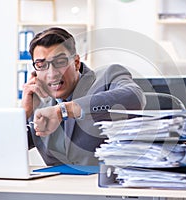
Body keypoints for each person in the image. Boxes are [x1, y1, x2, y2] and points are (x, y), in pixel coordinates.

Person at [22, 27, 146, 166]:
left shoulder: (107, 76)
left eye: (60, 62)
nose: (52, 73)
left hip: (105, 183)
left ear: (76, 62)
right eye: (41, 65)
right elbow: (6, 149)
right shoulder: (39, 101)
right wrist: (23, 113)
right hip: (57, 186)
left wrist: (64, 110)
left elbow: (134, 97)